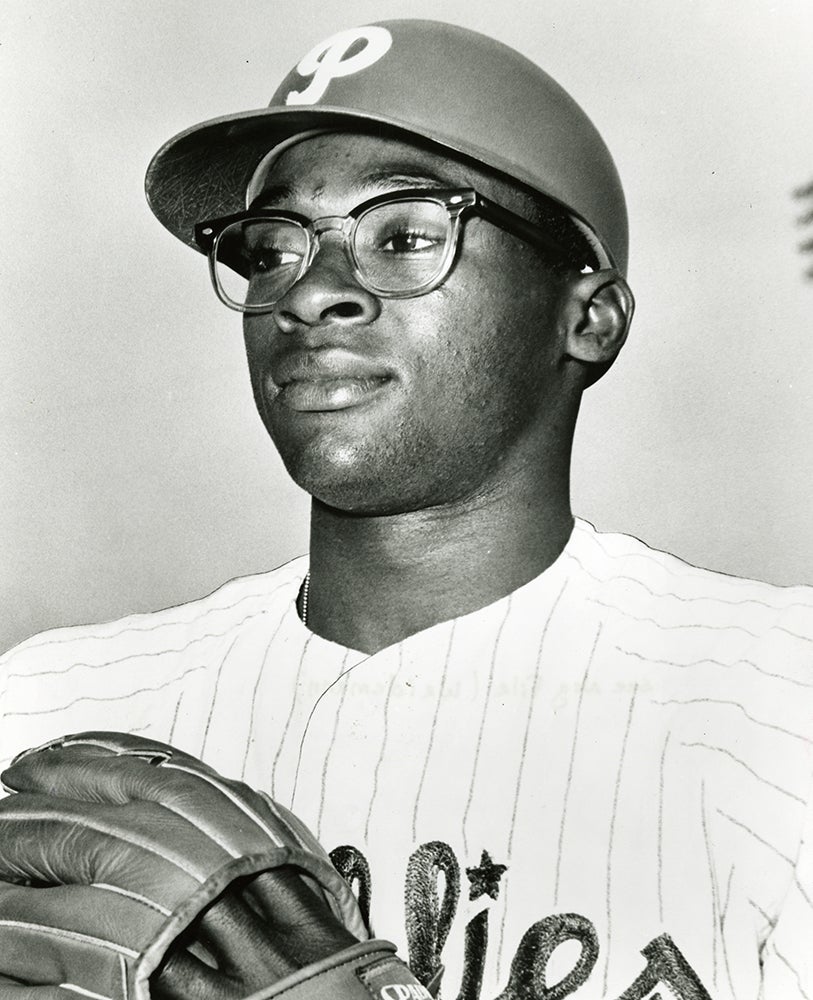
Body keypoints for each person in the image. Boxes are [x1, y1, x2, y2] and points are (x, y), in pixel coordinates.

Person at [1, 18, 812, 1000]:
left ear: (587, 317)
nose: (309, 295)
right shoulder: (54, 708)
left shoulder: (779, 704)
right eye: (269, 250)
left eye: (407, 233)